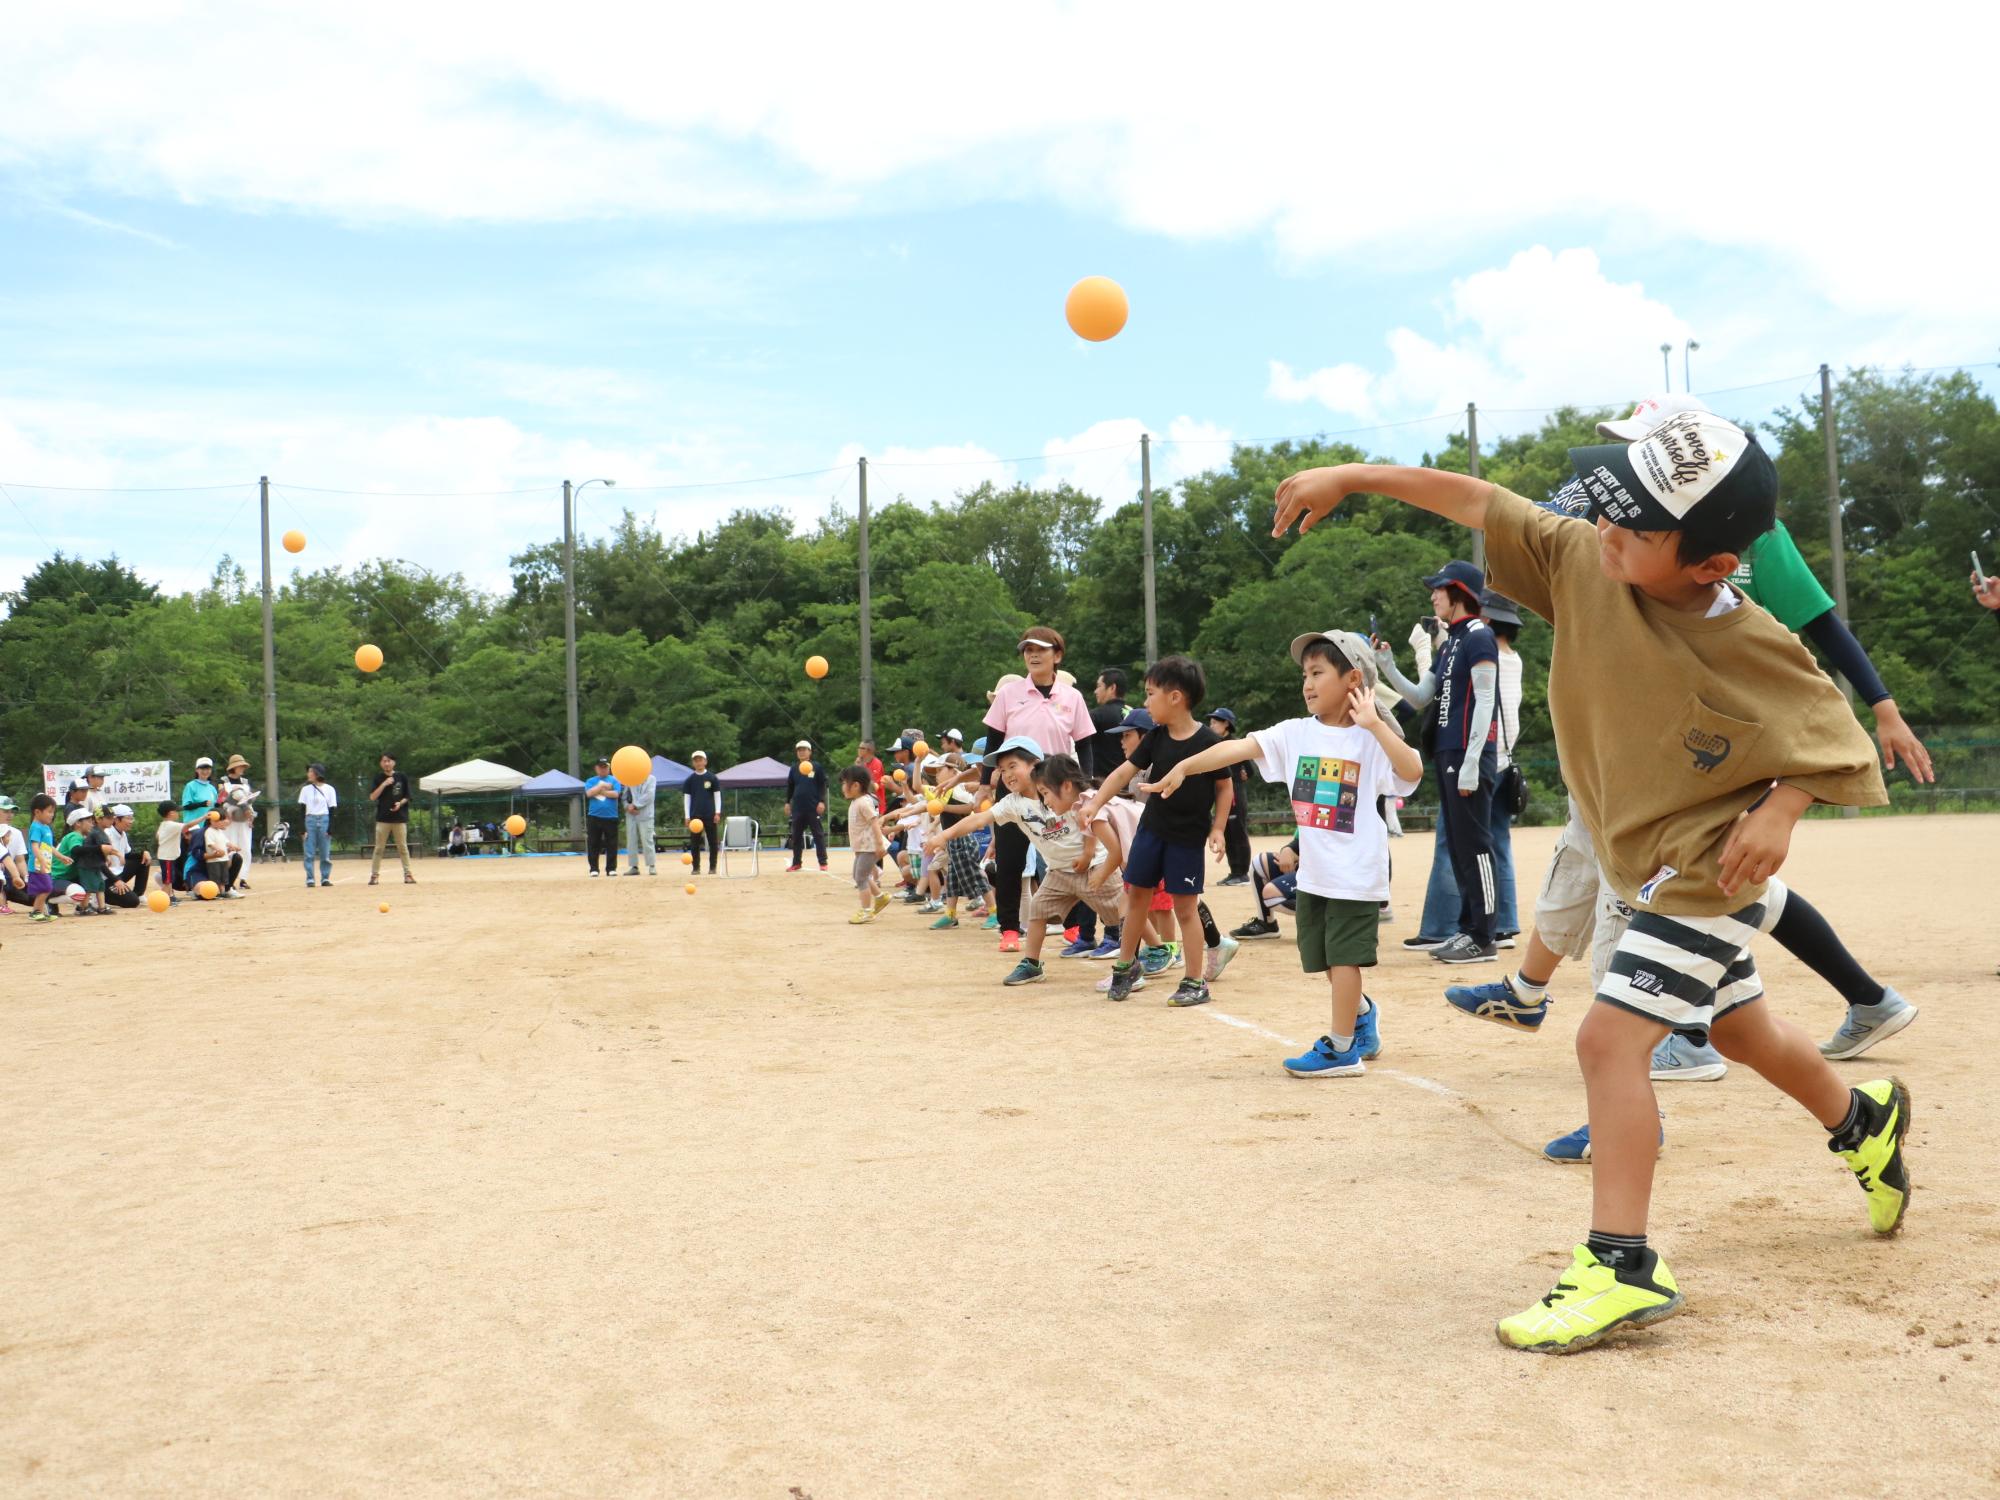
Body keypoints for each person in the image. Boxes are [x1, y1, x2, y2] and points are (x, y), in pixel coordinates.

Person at [1272, 410, 1912, 1353]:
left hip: (1704, 871)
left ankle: (1622, 1265)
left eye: (1638, 522)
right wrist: (1352, 475)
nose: (1608, 525)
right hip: (1637, 865)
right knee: (1742, 1032)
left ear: (1710, 565)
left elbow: (1839, 740)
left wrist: (1779, 810)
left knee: (1609, 1041)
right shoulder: (1586, 558)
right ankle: (1865, 1122)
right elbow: (1480, 500)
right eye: (1612, 502)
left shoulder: (1753, 638)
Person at [1144, 629, 1422, 1075]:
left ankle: (1342, 1048)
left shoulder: (1371, 737)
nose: (1307, 683)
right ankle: (1363, 1016)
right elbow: (1237, 747)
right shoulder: (1296, 733)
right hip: (1316, 874)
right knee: (1326, 962)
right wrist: (1184, 765)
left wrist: (1375, 725)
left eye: (1318, 673)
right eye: (1304, 674)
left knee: (1344, 958)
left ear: (1352, 679)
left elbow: (1411, 770)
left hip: (1356, 874)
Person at [1080, 654, 1233, 1007]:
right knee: (1136, 898)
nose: (1146, 703)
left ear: (1175, 697)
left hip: (1187, 838)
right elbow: (1122, 774)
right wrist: (1094, 803)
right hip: (1152, 832)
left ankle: (1195, 981)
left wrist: (1219, 828)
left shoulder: (1210, 742)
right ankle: (1125, 966)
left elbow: (1224, 788)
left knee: (1185, 909)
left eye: (1151, 694)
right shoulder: (1155, 737)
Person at [1373, 560, 1503, 964]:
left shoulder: (1480, 636)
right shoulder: (1451, 643)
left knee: (1477, 846)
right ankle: (1468, 930)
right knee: (1461, 847)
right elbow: (1419, 696)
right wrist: (1388, 665)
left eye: (1438, 589)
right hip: (1448, 752)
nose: (1432, 596)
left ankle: (1484, 936)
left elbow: (1485, 701)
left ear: (1459, 591)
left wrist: (1472, 760)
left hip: (1468, 754)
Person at [926, 744, 1124, 986]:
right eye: (1001, 769)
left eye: (1013, 766)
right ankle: (1031, 964)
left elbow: (1087, 819)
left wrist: (1088, 853)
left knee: (1122, 913)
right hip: (1059, 871)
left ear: (1034, 765)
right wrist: (944, 836)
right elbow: (979, 818)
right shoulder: (1013, 803)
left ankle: (1155, 950)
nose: (1007, 774)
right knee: (1038, 910)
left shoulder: (1057, 791)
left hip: (1094, 865)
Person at [982, 629, 1097, 954]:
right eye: (1027, 650)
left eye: (1040, 650)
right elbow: (993, 740)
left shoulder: (1072, 697)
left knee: (1067, 857)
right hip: (1015, 787)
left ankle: (1073, 925)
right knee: (1009, 861)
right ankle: (1008, 929)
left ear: (1057, 655)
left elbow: (1085, 744)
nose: (1033, 655)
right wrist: (983, 784)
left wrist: (1083, 787)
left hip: (1059, 789)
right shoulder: (1009, 694)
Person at [1207, 707, 1254, 884]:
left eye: (1214, 722)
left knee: (1238, 833)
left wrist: (1242, 777)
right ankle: (1234, 872)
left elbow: (1250, 770)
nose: (1210, 725)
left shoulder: (1235, 745)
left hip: (1235, 793)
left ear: (1226, 724)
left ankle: (1242, 873)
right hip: (1222, 795)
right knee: (1227, 833)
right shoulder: (1215, 745)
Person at [841, 765, 890, 923]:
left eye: (844, 783)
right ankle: (880, 897)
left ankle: (867, 911)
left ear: (855, 785)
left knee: (861, 877)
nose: (842, 787)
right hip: (863, 847)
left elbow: (874, 823)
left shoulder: (863, 802)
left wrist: (879, 844)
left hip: (870, 847)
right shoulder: (857, 801)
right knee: (859, 875)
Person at [368, 752, 416, 886]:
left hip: (399, 819)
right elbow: (372, 797)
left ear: (393, 762)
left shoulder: (402, 777)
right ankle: (374, 876)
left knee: (402, 848)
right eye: (384, 761)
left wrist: (400, 803)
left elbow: (408, 796)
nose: (386, 763)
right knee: (379, 849)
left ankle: (408, 875)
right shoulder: (378, 778)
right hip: (383, 819)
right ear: (381, 763)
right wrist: (384, 784)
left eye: (389, 761)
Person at [784, 740, 829, 872]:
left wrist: (822, 801)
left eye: (804, 749)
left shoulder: (816, 766)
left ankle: (823, 862)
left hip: (813, 806)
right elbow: (790, 786)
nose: (801, 752)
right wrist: (787, 802)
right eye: (799, 750)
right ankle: (796, 862)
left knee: (818, 835)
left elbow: (823, 785)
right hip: (798, 807)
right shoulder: (793, 768)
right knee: (796, 836)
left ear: (810, 752)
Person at [57, 807, 109, 914]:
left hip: (69, 876)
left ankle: (86, 907)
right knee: (82, 890)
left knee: (91, 884)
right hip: (59, 876)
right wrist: (99, 848)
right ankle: (51, 902)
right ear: (78, 823)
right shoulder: (74, 835)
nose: (92, 824)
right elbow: (76, 850)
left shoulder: (83, 837)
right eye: (89, 821)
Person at [217, 754, 258, 890]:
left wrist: (250, 814)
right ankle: (230, 878)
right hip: (230, 818)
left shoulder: (245, 782)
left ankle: (243, 878)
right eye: (240, 766)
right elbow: (221, 800)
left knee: (245, 847)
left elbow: (249, 799)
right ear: (233, 767)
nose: (243, 768)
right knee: (230, 846)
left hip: (244, 819)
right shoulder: (223, 782)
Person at [102, 805, 153, 909]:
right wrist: (116, 880)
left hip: (119, 872)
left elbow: (128, 854)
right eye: (128, 818)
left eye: (131, 818)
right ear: (116, 819)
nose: (131, 821)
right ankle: (102, 898)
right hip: (107, 878)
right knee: (132, 902)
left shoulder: (123, 834)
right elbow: (100, 864)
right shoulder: (106, 834)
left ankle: (139, 893)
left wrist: (144, 852)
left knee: (143, 859)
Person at [682, 752, 722, 874]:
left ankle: (713, 867)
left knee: (713, 842)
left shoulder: (712, 778)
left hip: (710, 814)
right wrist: (687, 816)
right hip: (695, 816)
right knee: (694, 843)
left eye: (701, 760)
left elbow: (717, 796)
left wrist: (717, 812)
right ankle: (696, 868)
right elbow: (687, 798)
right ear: (693, 763)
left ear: (705, 761)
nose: (698, 763)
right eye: (696, 760)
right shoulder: (689, 780)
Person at [1089, 668, 1135, 773]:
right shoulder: (1133, 713)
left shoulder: (1096, 715)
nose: (1095, 691)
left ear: (1112, 688)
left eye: (1099, 686)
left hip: (1103, 782)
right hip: (1130, 780)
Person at [298, 764, 336, 887]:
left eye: (310, 772)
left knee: (325, 852)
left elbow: (332, 810)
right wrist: (302, 829)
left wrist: (330, 828)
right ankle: (310, 878)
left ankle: (325, 878)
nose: (308, 774)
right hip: (310, 820)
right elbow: (301, 809)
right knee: (309, 852)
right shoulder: (305, 789)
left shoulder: (330, 789)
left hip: (324, 819)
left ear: (317, 774)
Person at [582, 756, 620, 877]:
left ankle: (611, 868)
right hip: (594, 816)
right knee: (593, 842)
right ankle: (594, 868)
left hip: (611, 816)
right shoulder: (590, 781)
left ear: (608, 768)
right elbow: (589, 793)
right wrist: (602, 786)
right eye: (601, 767)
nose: (603, 769)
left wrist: (599, 791)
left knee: (612, 843)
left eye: (605, 767)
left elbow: (615, 794)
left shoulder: (614, 780)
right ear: (596, 768)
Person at [24, 794, 59, 921]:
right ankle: (36, 911)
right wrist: (42, 861)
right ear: (37, 812)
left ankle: (42, 913)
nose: (52, 815)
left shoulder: (45, 827)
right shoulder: (36, 827)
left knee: (45, 888)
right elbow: (34, 846)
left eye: (53, 812)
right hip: (38, 865)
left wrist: (60, 856)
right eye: (49, 811)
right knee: (46, 887)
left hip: (45, 864)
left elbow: (49, 847)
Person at [622, 764, 658, 876]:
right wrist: (627, 806)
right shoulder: (630, 779)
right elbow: (624, 796)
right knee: (631, 841)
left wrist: (636, 805)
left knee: (647, 840)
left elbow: (649, 795)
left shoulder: (651, 779)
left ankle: (651, 865)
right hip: (631, 815)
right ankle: (634, 866)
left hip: (645, 814)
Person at [0, 795, 29, 912]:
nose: (10, 815)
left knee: (32, 898)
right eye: (5, 811)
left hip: (10, 876)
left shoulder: (16, 833)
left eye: (12, 812)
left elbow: (20, 860)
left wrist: (26, 877)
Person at [155, 801, 187, 898]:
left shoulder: (164, 824)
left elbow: (157, 836)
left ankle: (169, 896)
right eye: (176, 811)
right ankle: (164, 898)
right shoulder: (171, 825)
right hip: (167, 857)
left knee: (169, 880)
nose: (178, 813)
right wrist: (203, 818)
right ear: (171, 813)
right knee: (167, 881)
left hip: (166, 856)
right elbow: (188, 825)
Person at [181, 756, 220, 820]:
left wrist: (218, 805)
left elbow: (214, 806)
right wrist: (201, 804)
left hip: (208, 825)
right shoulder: (190, 786)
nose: (205, 771)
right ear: (197, 770)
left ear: (211, 770)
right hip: (193, 825)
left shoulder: (212, 788)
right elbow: (186, 806)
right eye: (202, 768)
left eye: (208, 769)